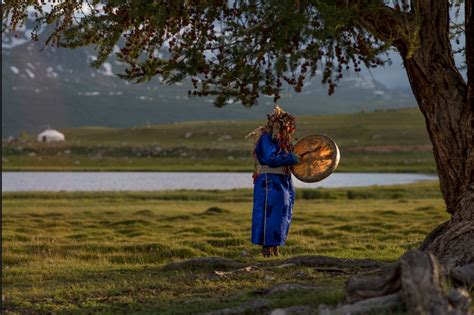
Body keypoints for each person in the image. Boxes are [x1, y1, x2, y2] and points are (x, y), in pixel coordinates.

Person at [248, 106, 299, 257]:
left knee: (282, 214)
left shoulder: (283, 141)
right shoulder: (265, 138)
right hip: (269, 181)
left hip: (284, 180)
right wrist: (290, 158)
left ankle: (276, 245)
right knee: (268, 214)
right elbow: (270, 159)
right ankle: (266, 248)